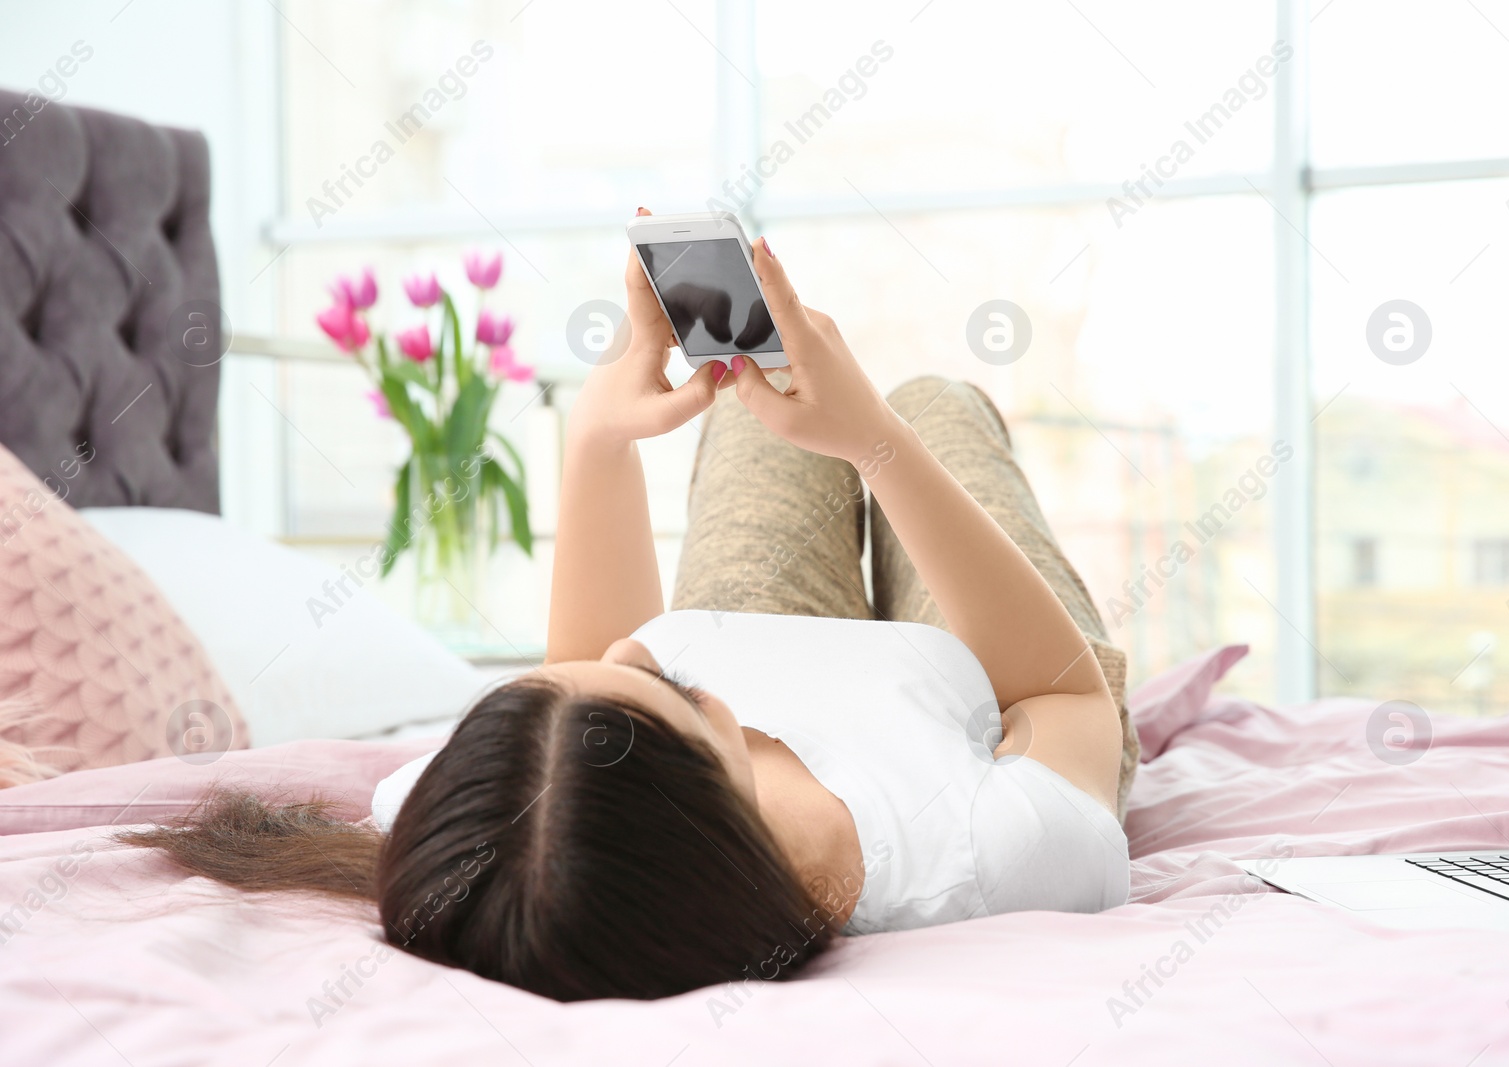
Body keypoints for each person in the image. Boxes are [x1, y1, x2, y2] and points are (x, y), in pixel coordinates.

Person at [125, 209, 1139, 1003]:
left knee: (752, 409)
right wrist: (876, 441)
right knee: (934, 406)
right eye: (666, 680)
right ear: (722, 762)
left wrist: (600, 440)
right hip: (992, 695)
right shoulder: (986, 853)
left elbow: (584, 695)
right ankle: (916, 418)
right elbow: (1065, 700)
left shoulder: (485, 827)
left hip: (764, 631)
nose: (622, 641)